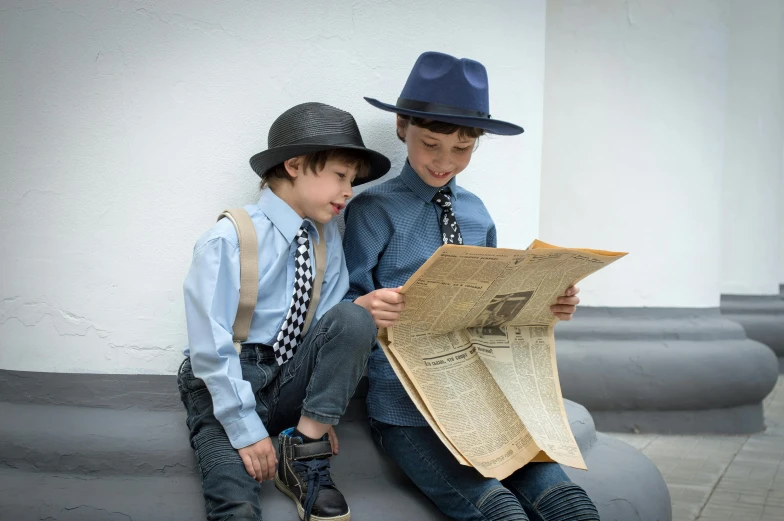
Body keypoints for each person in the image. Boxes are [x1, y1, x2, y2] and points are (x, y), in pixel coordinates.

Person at [344, 52, 600, 521]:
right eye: (430, 144)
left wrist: (547, 304)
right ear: (402, 127)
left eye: (461, 149)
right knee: (499, 513)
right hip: (407, 411)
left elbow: (492, 310)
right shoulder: (372, 210)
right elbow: (341, 307)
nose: (444, 161)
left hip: (482, 400)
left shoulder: (478, 213)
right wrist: (367, 306)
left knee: (571, 507)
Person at [178, 102, 390, 521]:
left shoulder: (326, 240)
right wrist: (244, 429)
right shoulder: (230, 238)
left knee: (354, 315)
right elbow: (210, 345)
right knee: (235, 502)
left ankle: (302, 453)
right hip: (228, 380)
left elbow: (328, 327)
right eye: (340, 176)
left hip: (290, 376)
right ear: (294, 165)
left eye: (352, 181)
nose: (349, 190)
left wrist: (321, 412)